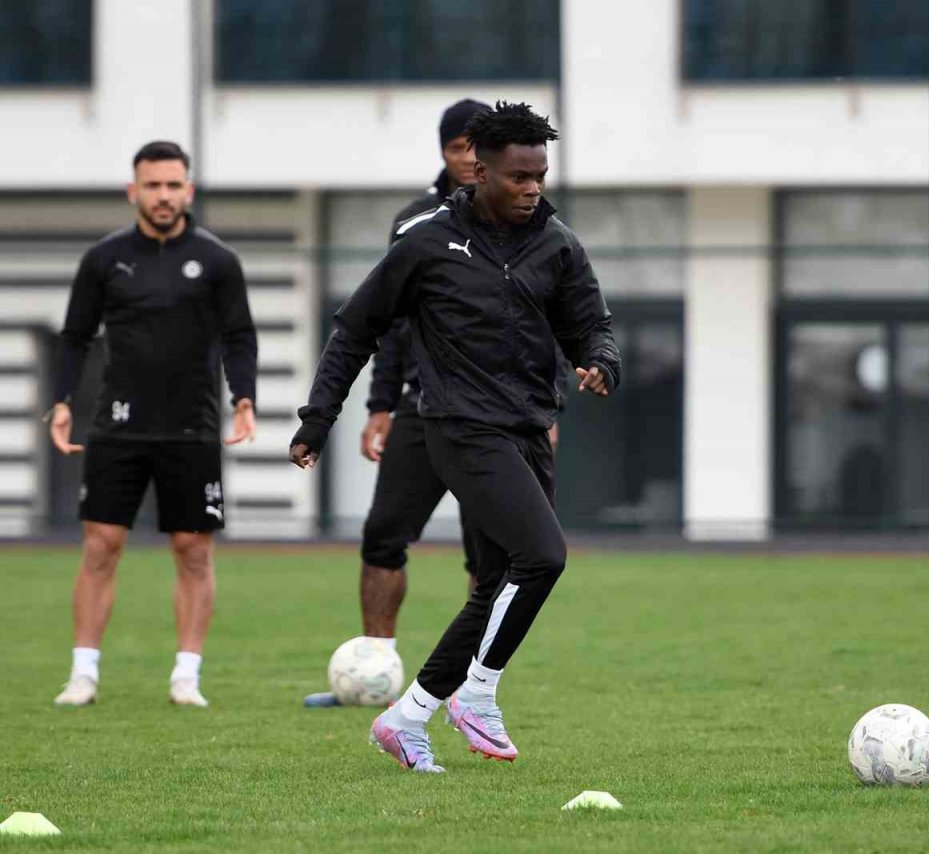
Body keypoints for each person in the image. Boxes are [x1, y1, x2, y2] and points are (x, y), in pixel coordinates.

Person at [290, 102, 619, 772]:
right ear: (482, 172)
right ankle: (477, 693)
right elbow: (355, 329)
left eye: (541, 175)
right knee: (544, 556)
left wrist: (601, 361)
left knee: (499, 582)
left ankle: (407, 718)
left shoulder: (558, 245)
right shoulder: (426, 243)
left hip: (529, 428)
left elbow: (592, 326)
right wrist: (319, 417)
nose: (533, 188)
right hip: (458, 425)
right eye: (519, 176)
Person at [48, 140, 258, 708]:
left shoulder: (217, 260)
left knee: (193, 550)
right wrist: (63, 400)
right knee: (101, 546)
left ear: (188, 191)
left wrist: (245, 399)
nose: (163, 196)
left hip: (191, 425)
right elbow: (74, 336)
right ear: (133, 190)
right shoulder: (104, 259)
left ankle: (186, 675)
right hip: (118, 424)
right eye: (153, 185)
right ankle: (83, 674)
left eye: (173, 185)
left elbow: (240, 336)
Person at [302, 98, 495, 708]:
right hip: (421, 405)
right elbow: (388, 320)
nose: (469, 157)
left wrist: (550, 413)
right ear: (443, 150)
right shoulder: (415, 221)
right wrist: (379, 405)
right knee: (383, 535)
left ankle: (474, 687)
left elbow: (541, 325)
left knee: (488, 552)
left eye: (479, 145)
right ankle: (375, 667)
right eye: (459, 145)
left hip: (499, 414)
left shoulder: (524, 221)